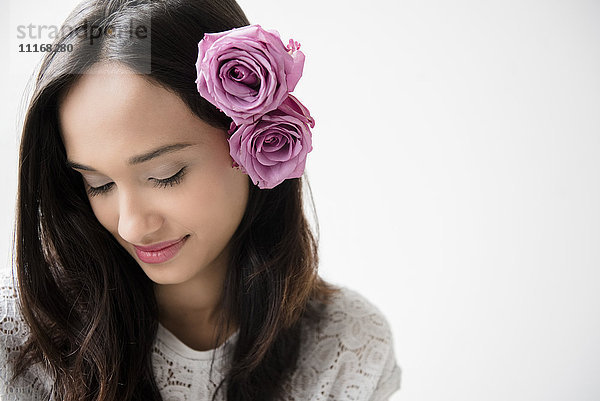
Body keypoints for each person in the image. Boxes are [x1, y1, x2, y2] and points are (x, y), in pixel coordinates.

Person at [0, 0, 402, 400]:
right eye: (98, 184)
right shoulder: (19, 334)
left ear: (255, 142)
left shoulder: (348, 346)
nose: (131, 225)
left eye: (165, 176)